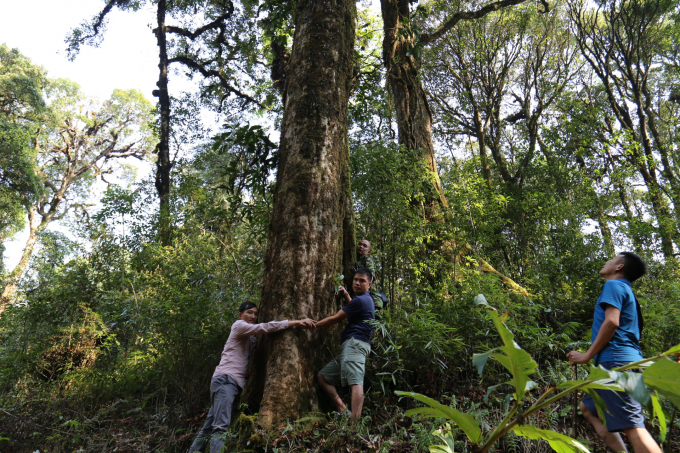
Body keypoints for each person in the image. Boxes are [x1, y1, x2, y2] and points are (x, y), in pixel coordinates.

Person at [189, 302, 314, 453]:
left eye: (255, 313)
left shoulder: (249, 337)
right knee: (221, 426)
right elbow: (265, 327)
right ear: (240, 315)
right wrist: (295, 322)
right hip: (225, 380)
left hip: (229, 382)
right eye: (249, 312)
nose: (253, 316)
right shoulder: (239, 325)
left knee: (210, 424)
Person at [567, 252, 661, 453]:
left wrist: (586, 356)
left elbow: (611, 322)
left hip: (617, 364)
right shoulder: (625, 290)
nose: (606, 261)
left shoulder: (613, 285)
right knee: (588, 408)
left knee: (634, 427)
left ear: (619, 267)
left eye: (611, 259)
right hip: (617, 363)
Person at [315, 269, 375, 418]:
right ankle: (344, 410)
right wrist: (347, 295)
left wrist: (313, 325)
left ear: (369, 284)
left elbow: (336, 318)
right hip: (350, 347)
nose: (357, 283)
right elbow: (353, 309)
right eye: (355, 279)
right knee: (323, 377)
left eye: (362, 281)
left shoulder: (361, 300)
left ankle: (354, 426)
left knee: (355, 382)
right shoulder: (363, 300)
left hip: (355, 345)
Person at [355, 239, 384, 310]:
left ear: (368, 252)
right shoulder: (358, 259)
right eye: (360, 244)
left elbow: (371, 274)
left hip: (373, 297)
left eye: (365, 246)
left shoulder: (368, 259)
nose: (361, 247)